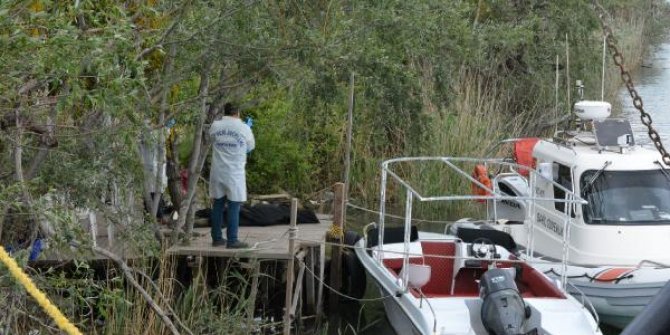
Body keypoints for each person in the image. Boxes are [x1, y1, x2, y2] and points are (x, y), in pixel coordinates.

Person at [209, 102, 255, 248]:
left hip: (218, 171)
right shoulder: (244, 128)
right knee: (234, 206)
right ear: (238, 112)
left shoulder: (215, 126)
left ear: (225, 112)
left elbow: (211, 140)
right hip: (234, 173)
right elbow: (250, 147)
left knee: (218, 204)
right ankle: (232, 240)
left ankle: (217, 238)